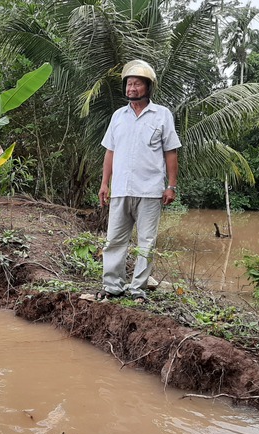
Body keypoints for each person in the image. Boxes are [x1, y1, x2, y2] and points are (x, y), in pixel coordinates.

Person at [96, 59, 180, 302]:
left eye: (137, 84)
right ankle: (113, 286)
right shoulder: (118, 117)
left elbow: (171, 152)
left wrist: (171, 186)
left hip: (150, 191)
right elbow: (109, 151)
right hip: (121, 189)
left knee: (146, 242)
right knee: (114, 240)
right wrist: (105, 183)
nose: (132, 88)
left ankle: (138, 289)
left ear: (148, 87)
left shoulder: (162, 115)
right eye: (129, 84)